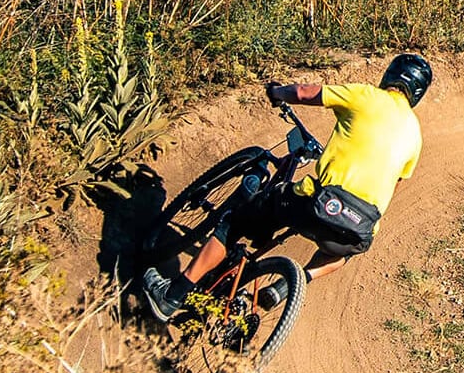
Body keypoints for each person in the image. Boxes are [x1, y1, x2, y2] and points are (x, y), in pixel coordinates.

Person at [139, 52, 431, 322]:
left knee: (234, 222)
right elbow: (397, 181)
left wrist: (277, 92)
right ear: (418, 93)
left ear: (389, 75)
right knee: (342, 253)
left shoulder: (368, 96)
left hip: (313, 202)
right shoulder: (415, 135)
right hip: (359, 226)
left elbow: (304, 93)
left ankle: (172, 296)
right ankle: (286, 285)